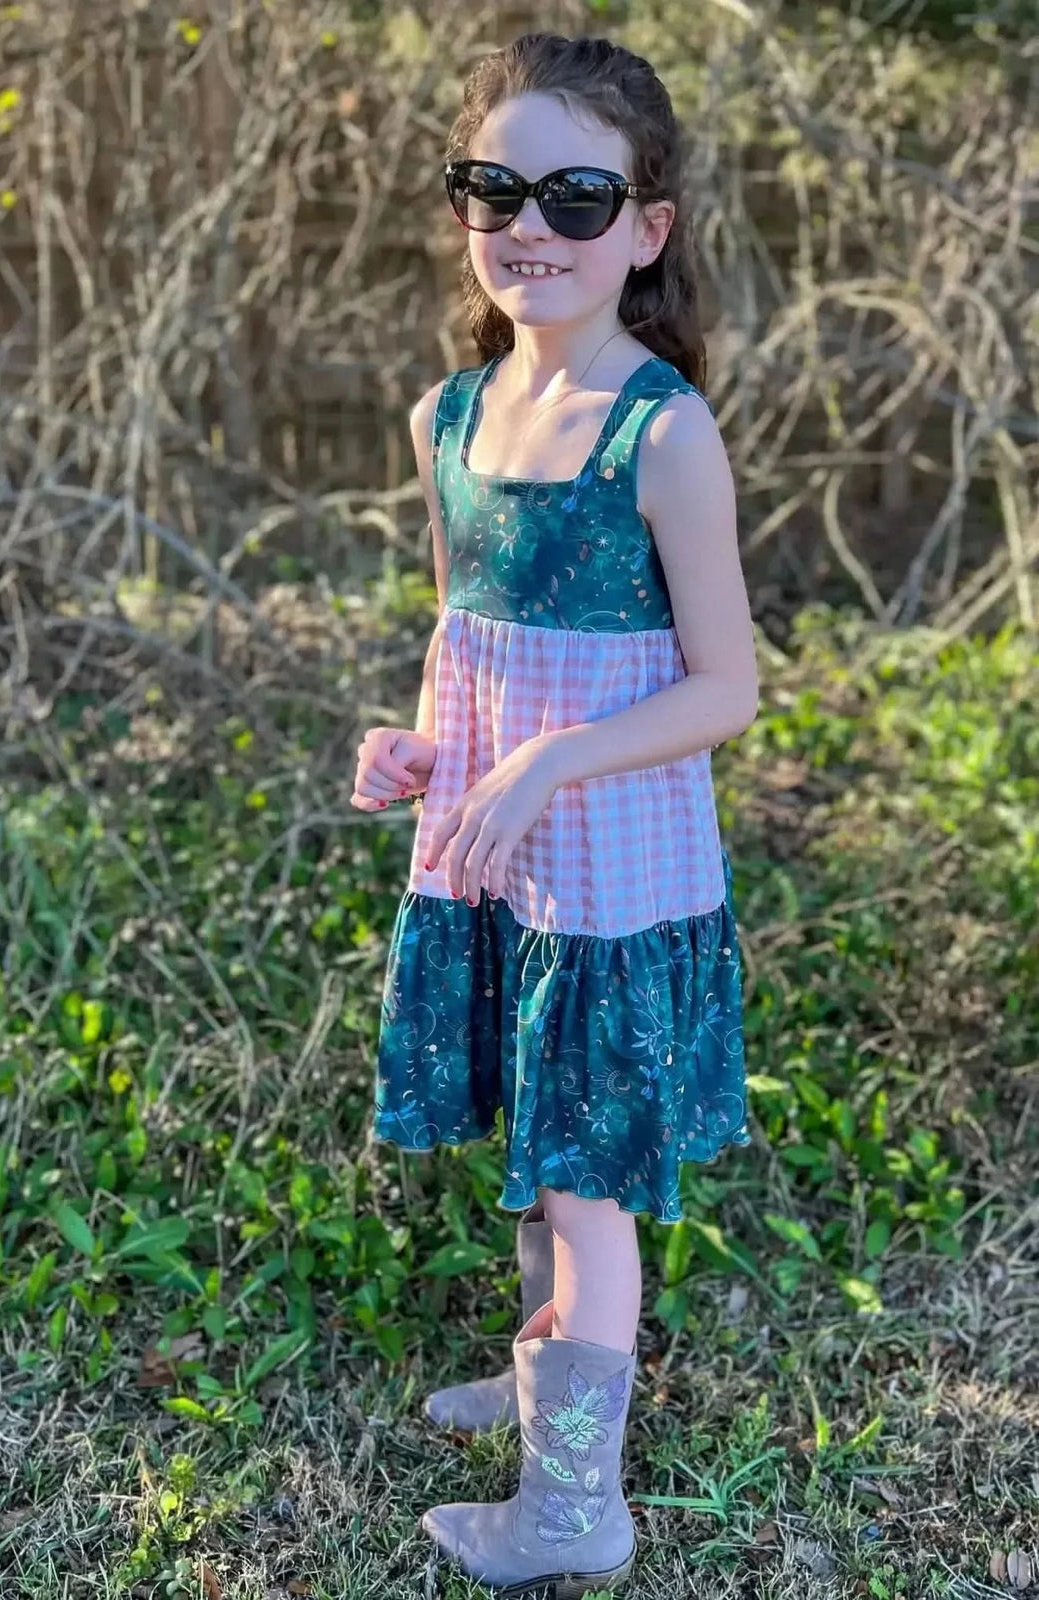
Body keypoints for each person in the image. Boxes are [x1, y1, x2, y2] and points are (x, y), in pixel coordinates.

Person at [350, 30, 759, 1597]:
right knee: (535, 1136)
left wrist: (544, 764)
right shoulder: (448, 421)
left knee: (586, 1184)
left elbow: (723, 690)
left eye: (577, 194)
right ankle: (541, 1388)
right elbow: (466, 640)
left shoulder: (663, 436)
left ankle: (572, 1506)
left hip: (608, 873)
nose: (531, 224)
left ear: (646, 227)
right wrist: (422, 747)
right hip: (497, 855)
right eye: (494, 187)